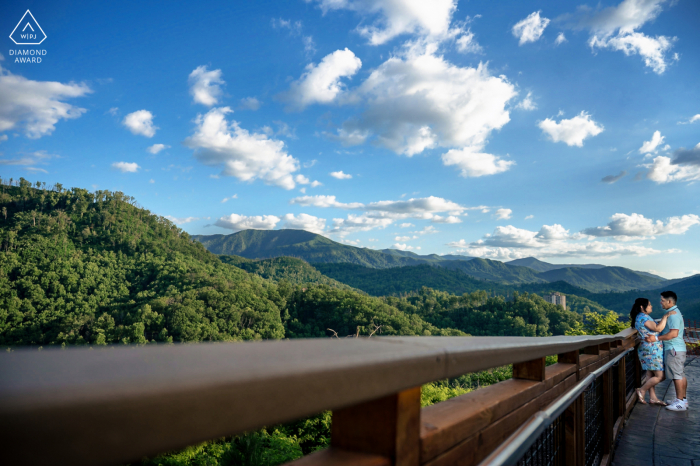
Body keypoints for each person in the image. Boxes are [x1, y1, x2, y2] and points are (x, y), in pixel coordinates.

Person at [645, 291, 688, 411]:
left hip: (673, 349)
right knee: (680, 374)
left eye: (662, 300)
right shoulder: (674, 313)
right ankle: (683, 400)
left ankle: (680, 402)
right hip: (678, 349)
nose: (660, 302)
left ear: (670, 301)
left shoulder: (673, 315)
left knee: (677, 375)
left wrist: (655, 338)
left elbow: (673, 333)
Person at [631, 298, 676, 405]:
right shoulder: (643, 317)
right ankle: (642, 390)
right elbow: (658, 328)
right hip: (651, 350)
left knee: (650, 374)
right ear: (642, 307)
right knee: (661, 376)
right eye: (649, 305)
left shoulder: (640, 317)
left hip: (648, 349)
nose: (651, 306)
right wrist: (665, 316)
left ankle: (653, 398)